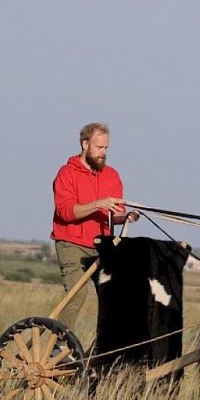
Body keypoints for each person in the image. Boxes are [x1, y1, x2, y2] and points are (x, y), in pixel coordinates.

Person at [50, 122, 137, 331]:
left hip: (101, 245)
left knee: (114, 296)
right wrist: (98, 203)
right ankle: (59, 345)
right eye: (99, 147)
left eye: (106, 148)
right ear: (85, 144)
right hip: (71, 243)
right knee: (77, 294)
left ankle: (104, 349)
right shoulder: (66, 173)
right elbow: (66, 212)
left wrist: (125, 218)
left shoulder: (112, 175)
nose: (103, 153)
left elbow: (114, 216)